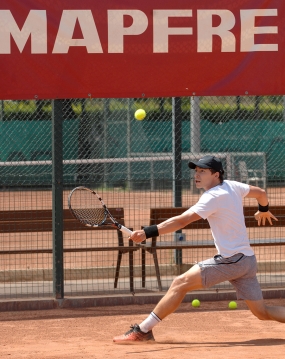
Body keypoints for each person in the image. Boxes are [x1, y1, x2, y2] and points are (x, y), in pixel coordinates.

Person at [113, 155, 284, 344]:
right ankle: (143, 331)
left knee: (180, 283)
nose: (197, 175)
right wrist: (264, 208)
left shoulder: (213, 196)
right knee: (263, 312)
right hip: (247, 261)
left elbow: (182, 220)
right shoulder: (232, 186)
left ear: (216, 174)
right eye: (196, 171)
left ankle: (143, 330)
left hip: (231, 260)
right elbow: (260, 192)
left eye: (203, 171)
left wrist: (147, 232)